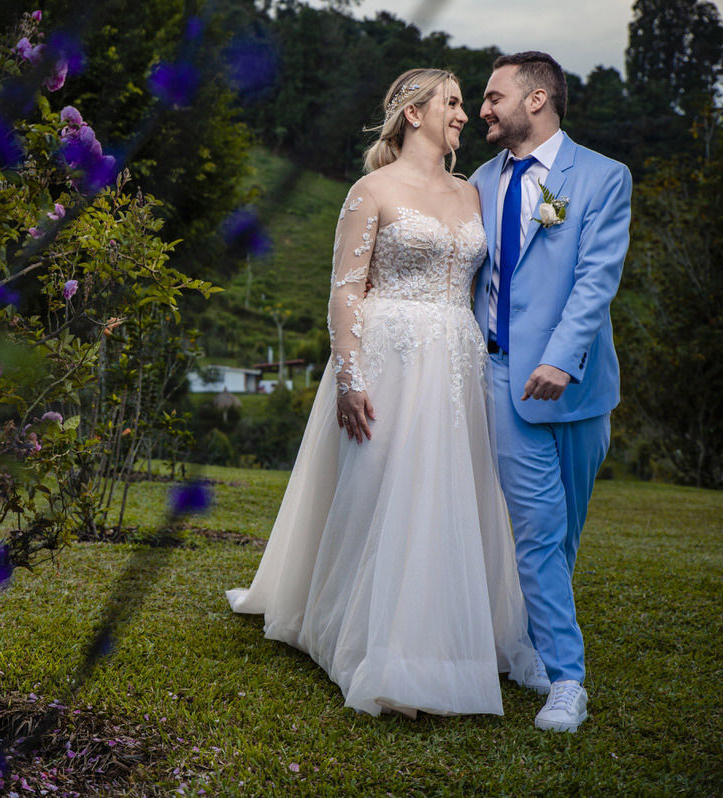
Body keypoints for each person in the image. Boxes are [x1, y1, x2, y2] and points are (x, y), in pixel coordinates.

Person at [227, 68, 539, 718]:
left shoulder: (473, 194)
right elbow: (345, 289)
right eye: (452, 103)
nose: (462, 114)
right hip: (390, 356)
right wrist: (350, 375)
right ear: (412, 113)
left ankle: (452, 638)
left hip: (458, 363)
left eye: (462, 104)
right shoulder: (371, 191)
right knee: (382, 492)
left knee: (449, 496)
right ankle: (377, 645)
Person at [470, 51, 631, 733]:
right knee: (538, 534)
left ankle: (535, 643)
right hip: (505, 379)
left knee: (562, 537)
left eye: (492, 96)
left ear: (536, 100)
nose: (482, 109)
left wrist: (563, 360)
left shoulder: (602, 177)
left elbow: (596, 279)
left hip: (581, 388)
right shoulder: (478, 181)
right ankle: (568, 681)